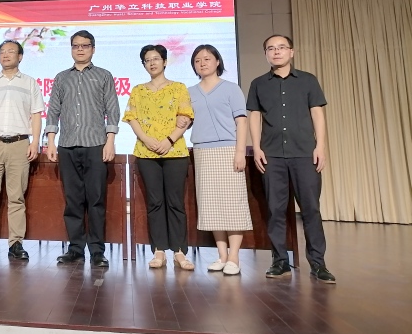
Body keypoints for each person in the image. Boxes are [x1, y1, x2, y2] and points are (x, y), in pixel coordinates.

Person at [247, 35, 335, 283]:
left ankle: (318, 263)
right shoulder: (258, 84)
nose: (276, 52)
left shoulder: (308, 80)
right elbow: (254, 116)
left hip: (304, 153)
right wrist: (257, 147)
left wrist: (320, 146)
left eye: (281, 47)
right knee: (275, 210)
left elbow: (317, 113)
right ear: (266, 54)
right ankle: (280, 261)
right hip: (272, 155)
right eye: (271, 48)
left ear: (291, 52)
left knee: (311, 209)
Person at [45, 30, 119, 268]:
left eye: (85, 45)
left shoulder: (103, 75)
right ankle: (75, 249)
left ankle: (97, 251)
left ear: (93, 49)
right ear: (71, 49)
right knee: (73, 200)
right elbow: (53, 110)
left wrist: (110, 141)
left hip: (96, 144)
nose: (80, 49)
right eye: (76, 45)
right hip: (67, 145)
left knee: (96, 200)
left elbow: (112, 109)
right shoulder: (61, 78)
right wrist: (51, 140)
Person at [123, 44, 194, 270]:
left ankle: (180, 252)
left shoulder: (178, 88)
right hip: (146, 153)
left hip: (175, 152)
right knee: (155, 202)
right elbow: (131, 118)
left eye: (156, 58)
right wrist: (146, 139)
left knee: (175, 202)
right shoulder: (138, 90)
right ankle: (159, 250)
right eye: (147, 60)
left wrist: (169, 140)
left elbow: (185, 117)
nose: (152, 63)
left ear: (164, 61)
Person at [0, 40, 45, 260]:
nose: (5, 55)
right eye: (2, 51)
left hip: (20, 144)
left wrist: (35, 142)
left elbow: (36, 115)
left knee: (16, 198)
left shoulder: (30, 83)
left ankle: (16, 243)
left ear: (20, 57)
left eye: (11, 51)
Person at [188, 45, 252, 276]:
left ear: (217, 61)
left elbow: (241, 121)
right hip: (202, 151)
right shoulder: (189, 92)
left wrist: (240, 151)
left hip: (228, 149)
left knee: (232, 203)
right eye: (197, 60)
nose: (202, 63)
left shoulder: (231, 88)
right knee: (211, 204)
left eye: (207, 58)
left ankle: (234, 256)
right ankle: (222, 255)